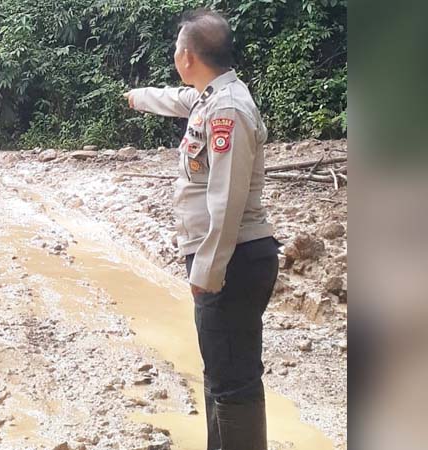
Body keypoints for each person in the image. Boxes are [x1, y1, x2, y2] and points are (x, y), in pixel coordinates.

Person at [124, 9, 278, 450]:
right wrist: (136, 97)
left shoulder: (227, 109)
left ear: (187, 56)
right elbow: (176, 99)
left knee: (232, 381)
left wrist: (207, 272)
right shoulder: (212, 96)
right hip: (232, 256)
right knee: (223, 373)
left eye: (176, 48)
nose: (174, 55)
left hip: (233, 260)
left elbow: (225, 200)